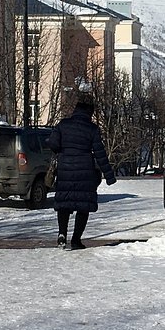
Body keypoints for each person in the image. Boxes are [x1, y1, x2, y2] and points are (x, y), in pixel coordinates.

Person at [47, 91, 116, 249]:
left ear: (75, 110)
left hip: (65, 169)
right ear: (90, 113)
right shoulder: (92, 129)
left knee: (64, 203)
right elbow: (100, 154)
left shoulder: (62, 125)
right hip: (85, 171)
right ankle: (76, 240)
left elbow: (53, 144)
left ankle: (61, 233)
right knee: (83, 206)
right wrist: (109, 175)